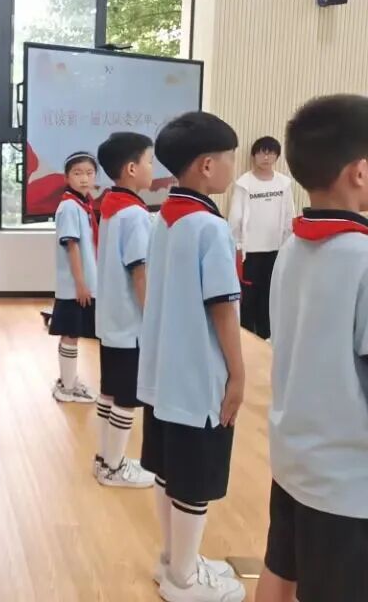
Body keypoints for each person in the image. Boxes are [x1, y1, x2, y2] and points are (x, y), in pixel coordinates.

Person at [255, 95, 368, 602]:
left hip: (294, 458)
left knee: (281, 569)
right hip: (350, 482)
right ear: (359, 172)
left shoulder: (293, 248)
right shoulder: (361, 257)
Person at [138, 112, 246, 602]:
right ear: (206, 165)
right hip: (199, 377)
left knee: (169, 470)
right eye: (229, 159)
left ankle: (173, 560)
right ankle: (183, 579)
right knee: (195, 480)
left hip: (163, 374)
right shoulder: (209, 227)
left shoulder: (163, 218)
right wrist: (238, 375)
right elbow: (222, 307)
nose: (231, 169)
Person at [93, 132, 157, 489]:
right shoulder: (134, 214)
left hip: (112, 321)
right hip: (131, 325)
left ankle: (105, 459)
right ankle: (115, 467)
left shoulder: (111, 206)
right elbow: (140, 272)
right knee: (126, 398)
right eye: (149, 161)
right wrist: (153, 319)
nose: (152, 168)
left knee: (109, 391)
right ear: (132, 168)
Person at [228, 136, 294, 339]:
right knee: (248, 297)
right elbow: (235, 218)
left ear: (277, 156)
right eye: (262, 153)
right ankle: (247, 337)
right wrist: (236, 246)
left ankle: (267, 337)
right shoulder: (244, 183)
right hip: (249, 252)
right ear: (254, 156)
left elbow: (289, 216)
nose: (266, 157)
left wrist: (287, 246)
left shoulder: (284, 183)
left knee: (270, 295)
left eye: (271, 153)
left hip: (276, 249)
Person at [49, 152, 100, 404]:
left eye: (89, 173)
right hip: (75, 286)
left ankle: (68, 381)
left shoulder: (83, 204)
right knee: (70, 333)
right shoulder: (70, 206)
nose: (84, 178)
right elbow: (72, 246)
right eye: (77, 173)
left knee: (73, 333)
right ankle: (67, 388)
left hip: (83, 283)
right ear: (67, 177)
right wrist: (81, 284)